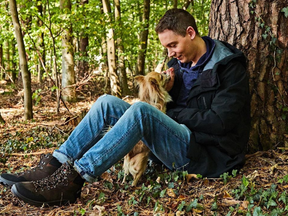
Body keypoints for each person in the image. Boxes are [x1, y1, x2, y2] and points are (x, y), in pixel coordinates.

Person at [0, 8, 250, 206]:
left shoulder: (227, 66)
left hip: (206, 154)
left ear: (191, 33)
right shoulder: (180, 65)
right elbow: (170, 106)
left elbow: (221, 121)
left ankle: (74, 180)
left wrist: (167, 112)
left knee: (141, 111)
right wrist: (168, 90)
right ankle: (54, 164)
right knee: (106, 102)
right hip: (177, 136)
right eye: (166, 48)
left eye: (173, 45)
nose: (170, 53)